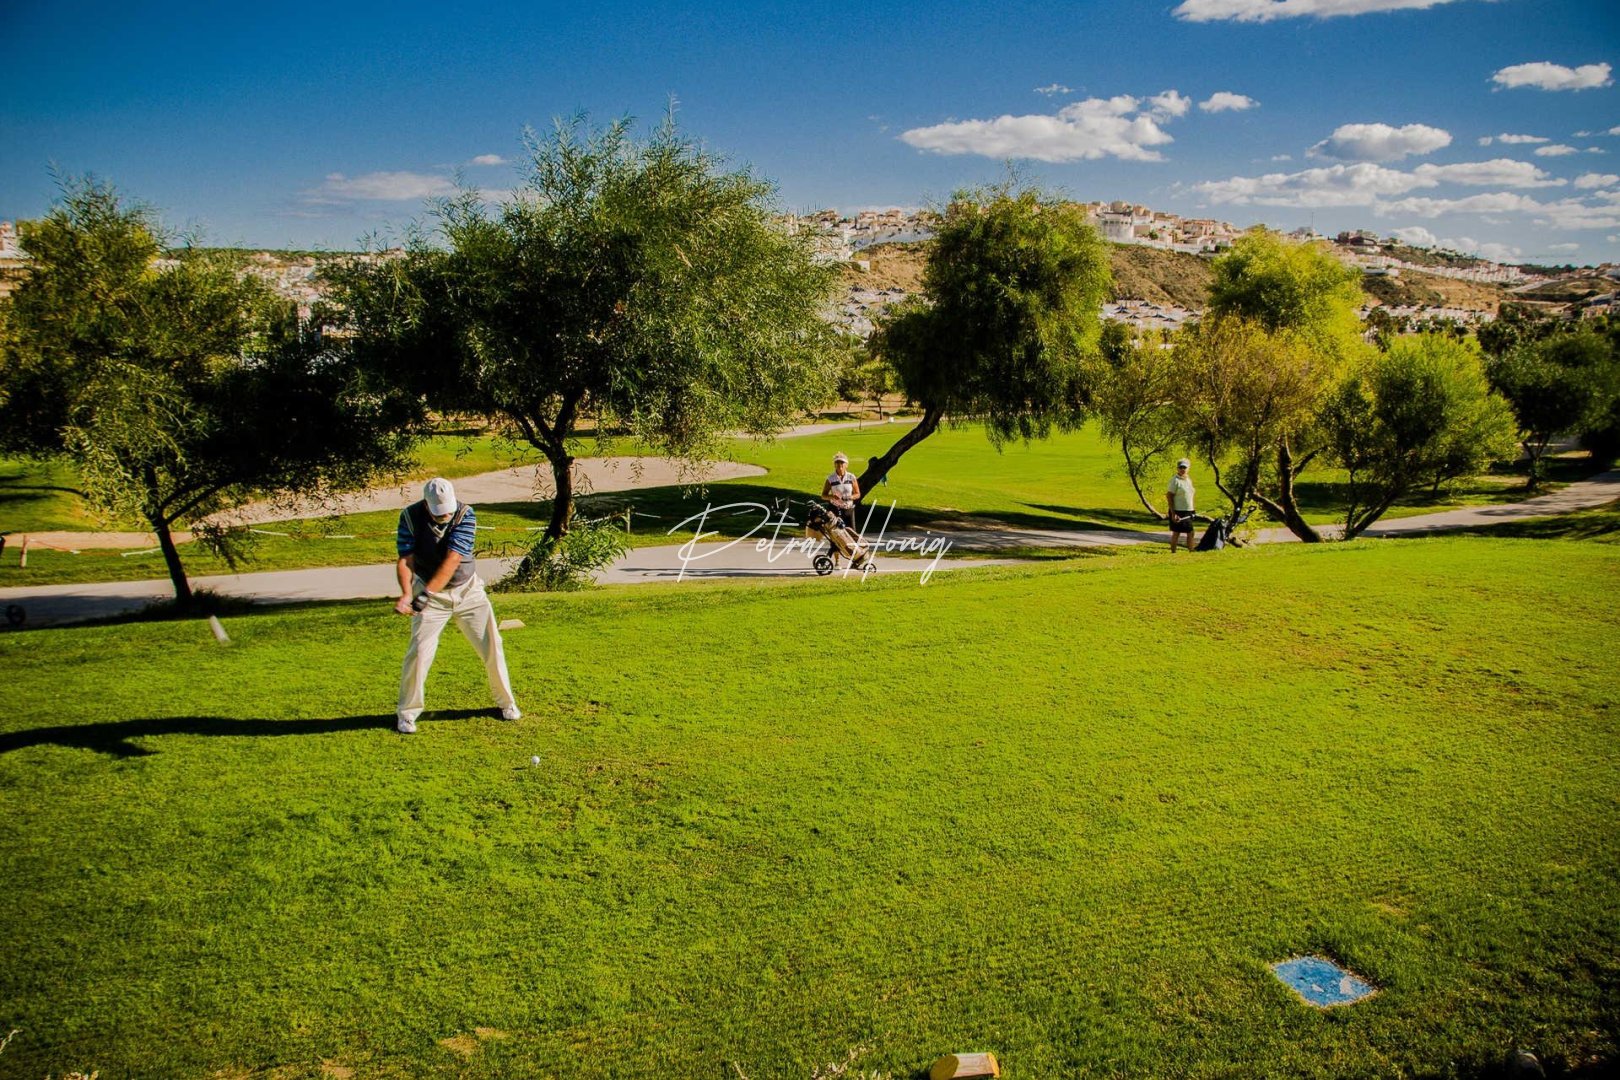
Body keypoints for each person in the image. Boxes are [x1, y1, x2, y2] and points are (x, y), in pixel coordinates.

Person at [393, 478, 519, 733]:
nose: (446, 515)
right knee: (418, 652)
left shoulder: (465, 514)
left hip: (468, 592)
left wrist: (425, 594)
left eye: (448, 509)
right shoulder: (409, 516)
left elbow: (452, 560)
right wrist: (407, 594)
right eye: (440, 511)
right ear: (427, 505)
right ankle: (407, 713)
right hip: (429, 594)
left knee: (493, 646)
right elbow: (406, 559)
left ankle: (507, 703)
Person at [821, 452, 862, 534]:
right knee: (835, 534)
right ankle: (834, 547)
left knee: (851, 534)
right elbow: (823, 496)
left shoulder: (851, 477)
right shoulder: (831, 479)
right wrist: (832, 496)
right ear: (834, 465)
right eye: (837, 462)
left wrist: (850, 497)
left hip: (848, 509)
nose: (840, 465)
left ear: (846, 465)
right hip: (835, 509)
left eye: (842, 462)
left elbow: (858, 494)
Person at [1166, 458, 1197, 553]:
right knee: (1179, 532)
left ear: (1188, 468)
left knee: (1190, 532)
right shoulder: (1175, 480)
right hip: (1178, 510)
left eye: (1184, 467)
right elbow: (1169, 496)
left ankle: (1190, 550)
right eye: (1181, 467)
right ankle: (1175, 552)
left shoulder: (1188, 480)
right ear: (1177, 468)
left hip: (1188, 510)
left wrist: (1192, 509)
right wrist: (1173, 513)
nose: (1182, 469)